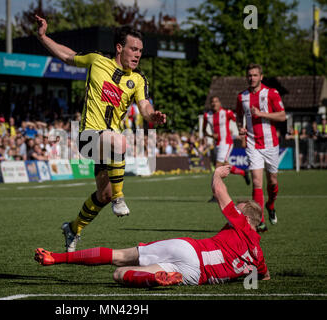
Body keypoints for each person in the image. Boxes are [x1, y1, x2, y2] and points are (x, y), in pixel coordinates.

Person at [35, 15, 166, 252]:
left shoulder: (137, 79)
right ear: (119, 48)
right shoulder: (97, 61)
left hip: (109, 146)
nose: (138, 54)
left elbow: (144, 105)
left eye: (140, 51)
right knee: (119, 140)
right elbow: (67, 55)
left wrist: (151, 116)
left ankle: (73, 228)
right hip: (88, 136)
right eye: (133, 49)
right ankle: (120, 196)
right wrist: (43, 36)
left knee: (102, 195)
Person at [35, 165, 270, 287]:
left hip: (190, 250)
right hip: (194, 275)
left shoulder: (241, 224)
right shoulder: (258, 257)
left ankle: (56, 258)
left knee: (118, 258)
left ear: (246, 218)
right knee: (120, 275)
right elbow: (264, 276)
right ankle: (156, 278)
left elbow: (219, 192)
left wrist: (218, 174)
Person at [236, 63, 286, 232]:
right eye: (249, 75)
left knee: (272, 182)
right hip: (252, 144)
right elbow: (238, 117)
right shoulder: (241, 96)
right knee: (257, 182)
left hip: (271, 144)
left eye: (255, 75)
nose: (252, 78)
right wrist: (240, 128)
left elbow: (282, 116)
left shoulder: (271, 93)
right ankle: (261, 221)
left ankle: (270, 205)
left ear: (261, 77)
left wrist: (261, 114)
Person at [203, 96, 250, 202]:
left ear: (220, 103)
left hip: (226, 143)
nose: (214, 104)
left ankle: (216, 195)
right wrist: (211, 136)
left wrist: (243, 137)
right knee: (225, 165)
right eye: (212, 102)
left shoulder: (227, 113)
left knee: (218, 167)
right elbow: (204, 131)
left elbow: (239, 121)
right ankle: (243, 172)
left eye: (216, 101)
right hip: (217, 144)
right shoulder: (207, 115)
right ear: (210, 104)